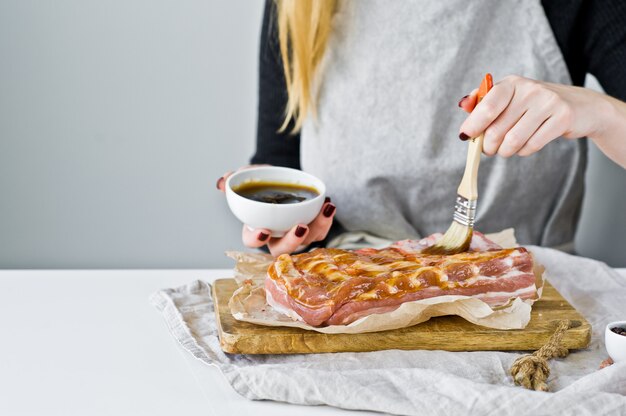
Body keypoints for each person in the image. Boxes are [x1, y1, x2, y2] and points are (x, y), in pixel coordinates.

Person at [217, 0, 626, 257]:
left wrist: (602, 113)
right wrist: (286, 226)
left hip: (525, 291)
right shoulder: (297, 6)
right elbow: (281, 164)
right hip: (349, 286)